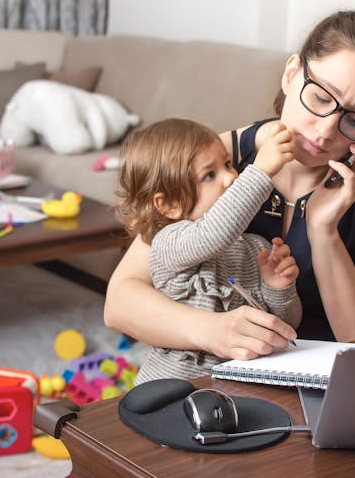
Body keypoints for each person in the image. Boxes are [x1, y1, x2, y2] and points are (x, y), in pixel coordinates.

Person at [105, 10, 355, 360]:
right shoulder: (220, 159)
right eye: (320, 98)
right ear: (291, 73)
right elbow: (120, 301)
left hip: (332, 382)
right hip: (221, 373)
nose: (324, 130)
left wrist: (324, 232)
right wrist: (212, 330)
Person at [115, 118, 302, 383]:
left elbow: (286, 326)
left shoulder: (256, 248)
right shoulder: (168, 243)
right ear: (169, 205)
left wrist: (279, 287)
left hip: (233, 389)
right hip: (169, 391)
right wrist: (260, 171)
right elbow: (212, 233)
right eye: (209, 175)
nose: (230, 177)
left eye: (227, 164)